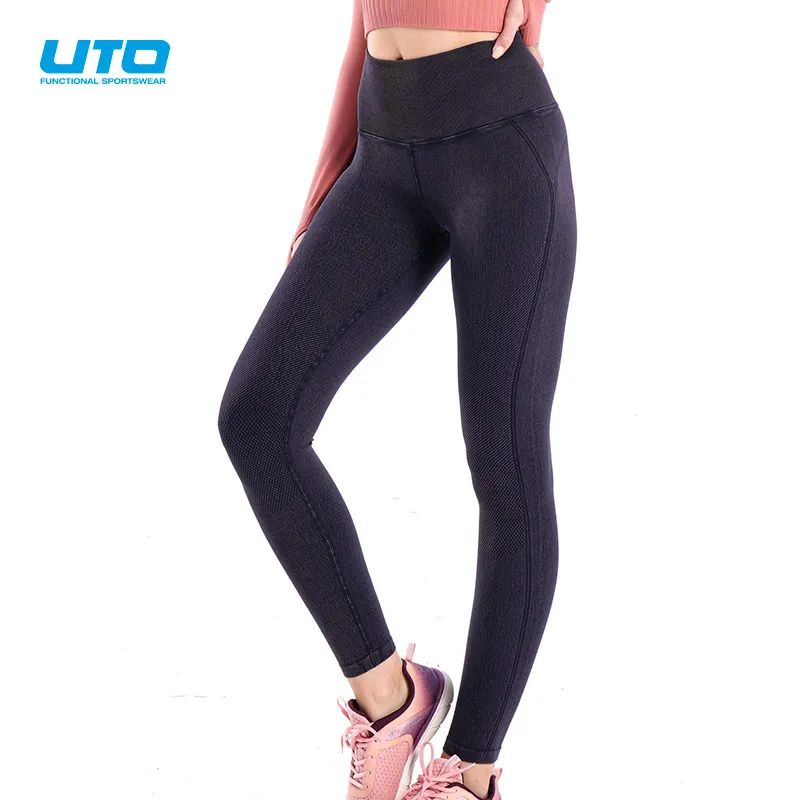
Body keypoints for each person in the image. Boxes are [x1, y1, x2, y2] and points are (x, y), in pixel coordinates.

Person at [218, 1, 576, 797]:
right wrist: (328, 177)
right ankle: (391, 699)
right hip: (382, 153)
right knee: (257, 417)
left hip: (500, 139)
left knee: (506, 459)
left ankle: (469, 773)